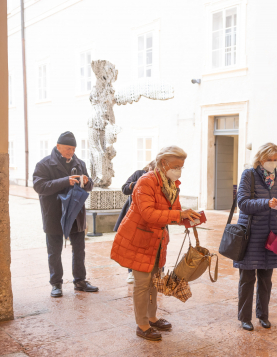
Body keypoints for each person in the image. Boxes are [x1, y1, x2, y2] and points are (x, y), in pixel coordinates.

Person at [110, 146, 200, 341]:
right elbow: (149, 214)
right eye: (176, 166)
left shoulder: (171, 183)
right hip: (139, 239)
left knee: (154, 281)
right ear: (163, 163)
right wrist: (178, 214)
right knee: (142, 284)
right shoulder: (145, 181)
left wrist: (188, 217)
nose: (178, 171)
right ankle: (142, 324)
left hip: (157, 240)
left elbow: (174, 211)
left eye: (181, 167)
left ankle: (152, 317)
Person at [234, 143, 277, 331]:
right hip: (250, 234)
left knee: (266, 279)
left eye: (275, 159)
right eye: (269, 159)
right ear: (260, 159)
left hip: (270, 235)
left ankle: (263, 315)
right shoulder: (249, 175)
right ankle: (245, 317)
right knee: (247, 279)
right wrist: (266, 203)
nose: (272, 163)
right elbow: (243, 203)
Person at [33, 131, 98, 298]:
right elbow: (39, 187)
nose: (71, 152)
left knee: (79, 250)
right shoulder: (44, 164)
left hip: (76, 213)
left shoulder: (80, 163)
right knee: (54, 251)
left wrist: (86, 181)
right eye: (68, 148)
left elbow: (89, 186)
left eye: (74, 148)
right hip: (54, 214)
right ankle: (56, 284)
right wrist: (65, 181)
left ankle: (80, 281)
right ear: (58, 146)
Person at [114, 160, 157, 284]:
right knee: (132, 245)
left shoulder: (161, 179)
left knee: (154, 243)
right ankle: (131, 272)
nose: (152, 175)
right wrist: (135, 184)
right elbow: (124, 189)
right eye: (151, 172)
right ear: (148, 168)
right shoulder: (138, 174)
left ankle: (158, 270)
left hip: (152, 216)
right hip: (135, 215)